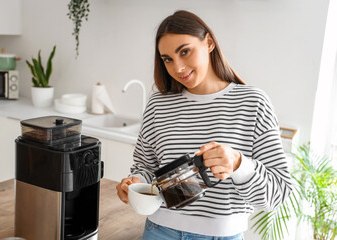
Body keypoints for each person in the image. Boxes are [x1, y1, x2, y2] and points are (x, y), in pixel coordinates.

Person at [116, 10, 292, 240]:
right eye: (168, 59)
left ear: (209, 42)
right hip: (159, 231)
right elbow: (145, 168)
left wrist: (239, 165)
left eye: (185, 51)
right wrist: (136, 183)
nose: (178, 67)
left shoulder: (253, 103)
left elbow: (278, 193)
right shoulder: (158, 104)